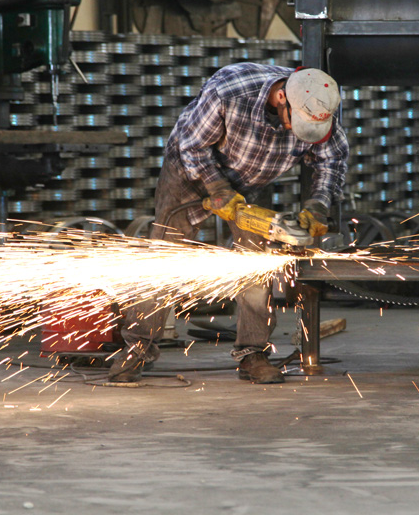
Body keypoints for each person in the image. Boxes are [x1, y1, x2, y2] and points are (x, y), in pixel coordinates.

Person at [109, 63, 348, 384]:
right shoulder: (230, 90)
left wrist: (318, 205)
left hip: (250, 181)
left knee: (256, 264)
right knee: (164, 256)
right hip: (191, 173)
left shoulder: (320, 99)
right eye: (297, 122)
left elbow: (333, 158)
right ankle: (136, 348)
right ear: (281, 98)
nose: (297, 132)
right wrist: (218, 189)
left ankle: (252, 353)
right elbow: (191, 144)